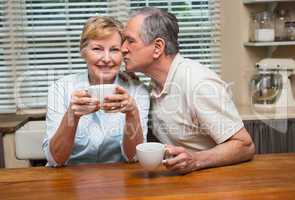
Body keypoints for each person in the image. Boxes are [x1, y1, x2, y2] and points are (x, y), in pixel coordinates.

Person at [121, 7, 255, 174]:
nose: (123, 48)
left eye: (130, 41)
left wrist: (196, 160)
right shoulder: (154, 85)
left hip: (217, 182)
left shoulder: (198, 83)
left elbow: (244, 145)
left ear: (157, 47)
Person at [43, 16, 149, 166]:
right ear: (83, 52)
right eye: (97, 49)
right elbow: (55, 160)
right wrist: (71, 117)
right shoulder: (61, 89)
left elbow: (133, 158)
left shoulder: (138, 91)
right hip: (68, 179)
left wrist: (132, 114)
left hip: (118, 180)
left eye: (114, 50)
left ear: (123, 53)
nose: (106, 59)